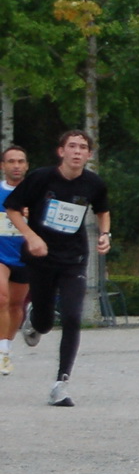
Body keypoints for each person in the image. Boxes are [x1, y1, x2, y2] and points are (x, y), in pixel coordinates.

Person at [5, 130, 111, 406]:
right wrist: (31, 236)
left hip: (74, 259)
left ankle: (61, 384)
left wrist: (105, 234)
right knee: (44, 323)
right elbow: (12, 208)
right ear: (61, 151)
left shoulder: (94, 183)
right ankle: (35, 318)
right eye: (72, 146)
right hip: (41, 258)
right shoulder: (41, 178)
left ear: (89, 155)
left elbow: (102, 210)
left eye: (83, 147)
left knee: (73, 316)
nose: (77, 151)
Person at [0, 145, 32, 376]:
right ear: (3, 166)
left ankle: (7, 346)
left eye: (20, 161)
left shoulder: (36, 193)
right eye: (11, 161)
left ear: (27, 166)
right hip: (0, 255)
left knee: (15, 305)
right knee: (2, 298)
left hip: (24, 256)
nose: (16, 166)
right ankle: (1, 351)